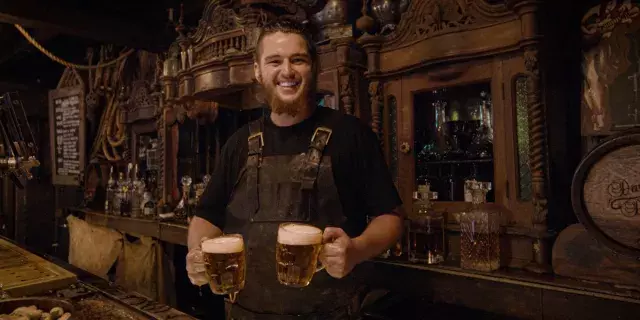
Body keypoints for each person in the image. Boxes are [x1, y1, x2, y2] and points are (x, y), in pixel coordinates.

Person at [186, 18, 403, 320]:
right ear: (258, 71)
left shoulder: (351, 135)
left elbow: (390, 218)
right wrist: (197, 255)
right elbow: (206, 217)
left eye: (297, 60)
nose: (287, 71)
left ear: (312, 67)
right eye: (275, 61)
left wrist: (356, 249)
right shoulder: (238, 144)